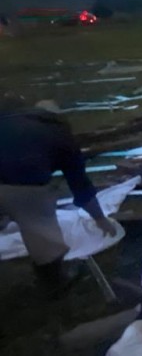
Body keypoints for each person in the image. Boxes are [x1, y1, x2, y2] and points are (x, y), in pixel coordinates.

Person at [0, 93, 117, 296]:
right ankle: (53, 283)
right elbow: (79, 183)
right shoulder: (59, 132)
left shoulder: (9, 119)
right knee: (40, 226)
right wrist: (99, 218)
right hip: (23, 185)